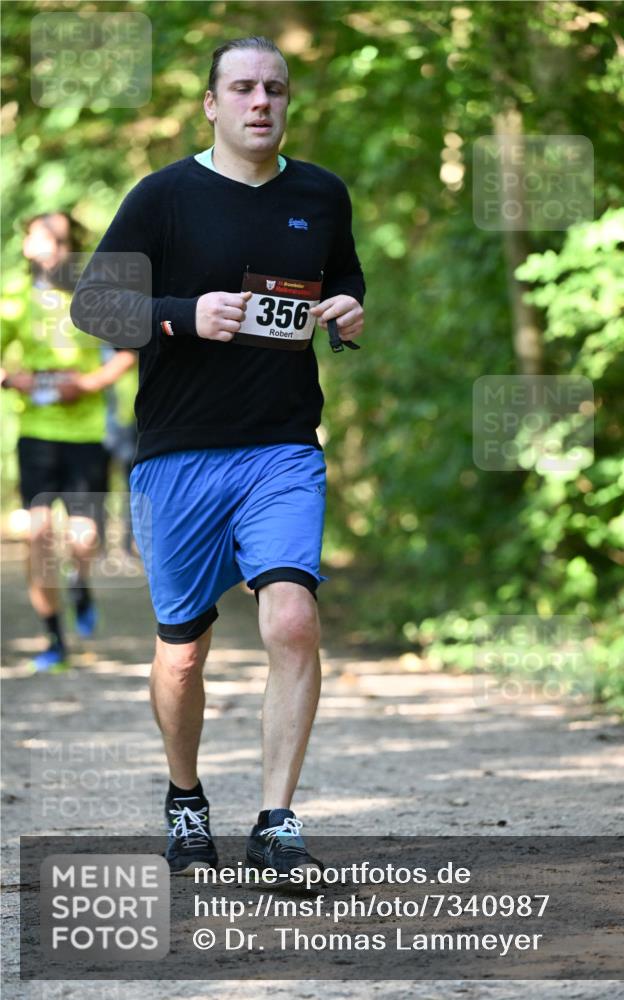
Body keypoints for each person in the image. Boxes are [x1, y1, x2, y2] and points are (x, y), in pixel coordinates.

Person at [70, 36, 365, 878]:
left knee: (292, 618)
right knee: (183, 651)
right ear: (211, 104)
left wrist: (349, 311)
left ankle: (276, 821)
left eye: (274, 88)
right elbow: (93, 307)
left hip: (280, 447)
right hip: (177, 452)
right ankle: (185, 794)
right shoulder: (163, 197)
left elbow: (343, 284)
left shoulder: (320, 193)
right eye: (242, 88)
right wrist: (181, 313)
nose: (260, 102)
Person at [0, 212, 137, 672]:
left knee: (84, 539)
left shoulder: (93, 298)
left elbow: (128, 352)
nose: (52, 247)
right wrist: (8, 379)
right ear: (28, 246)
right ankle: (54, 639)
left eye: (60, 240)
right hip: (37, 433)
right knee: (39, 536)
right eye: (43, 238)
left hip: (87, 434)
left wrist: (89, 384)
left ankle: (79, 583)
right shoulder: (13, 298)